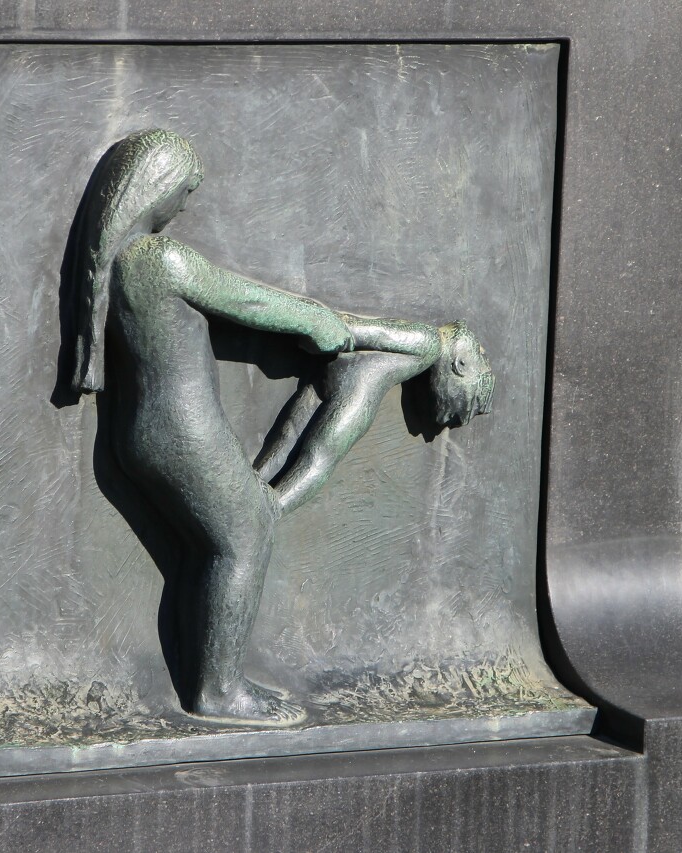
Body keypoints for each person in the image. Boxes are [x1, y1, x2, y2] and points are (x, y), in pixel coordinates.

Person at [71, 128, 352, 726]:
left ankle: (211, 678)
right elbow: (248, 302)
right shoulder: (156, 258)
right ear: (160, 186)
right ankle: (217, 691)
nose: (185, 207)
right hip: (182, 431)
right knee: (244, 538)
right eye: (185, 192)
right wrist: (317, 321)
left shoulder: (117, 262)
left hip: (143, 433)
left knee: (214, 546)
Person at [255, 317, 493, 517]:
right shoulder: (429, 341)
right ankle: (269, 507)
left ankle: (264, 503)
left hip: (332, 379)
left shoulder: (428, 345)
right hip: (354, 393)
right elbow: (377, 333)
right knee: (315, 455)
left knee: (293, 441)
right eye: (466, 405)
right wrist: (339, 332)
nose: (452, 420)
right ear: (460, 365)